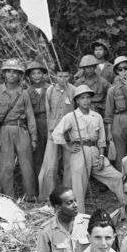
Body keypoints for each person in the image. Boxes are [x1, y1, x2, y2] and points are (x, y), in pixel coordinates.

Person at [51, 85, 124, 214]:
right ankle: (79, 217)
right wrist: (68, 147)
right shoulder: (71, 116)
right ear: (77, 101)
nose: (86, 100)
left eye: (88, 97)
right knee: (79, 188)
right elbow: (56, 134)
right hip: (79, 152)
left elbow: (101, 139)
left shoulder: (97, 116)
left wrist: (101, 157)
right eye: (82, 98)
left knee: (117, 177)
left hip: (95, 152)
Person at [0, 58, 37, 201]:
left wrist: (33, 137)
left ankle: (30, 195)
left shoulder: (24, 93)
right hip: (4, 130)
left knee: (26, 164)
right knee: (6, 165)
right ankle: (8, 196)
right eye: (8, 72)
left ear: (20, 75)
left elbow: (30, 116)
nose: (12, 75)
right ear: (4, 73)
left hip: (21, 129)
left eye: (15, 72)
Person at [38, 69, 76, 201]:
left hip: (69, 132)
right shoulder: (50, 90)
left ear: (70, 76)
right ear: (55, 76)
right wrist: (50, 130)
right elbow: (48, 112)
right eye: (60, 76)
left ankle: (69, 195)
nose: (63, 78)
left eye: (66, 75)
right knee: (50, 164)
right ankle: (48, 195)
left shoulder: (73, 90)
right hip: (54, 131)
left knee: (70, 165)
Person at [25, 60, 50, 187]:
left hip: (50, 123)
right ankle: (40, 187)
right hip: (35, 124)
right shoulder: (27, 92)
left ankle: (54, 186)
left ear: (43, 74)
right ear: (29, 76)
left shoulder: (50, 88)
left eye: (39, 73)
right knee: (38, 156)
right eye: (33, 74)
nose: (36, 76)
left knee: (52, 154)